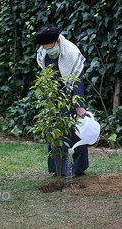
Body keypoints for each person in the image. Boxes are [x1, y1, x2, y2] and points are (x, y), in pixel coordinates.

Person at [35, 24, 89, 177]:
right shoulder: (44, 52)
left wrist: (79, 106)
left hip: (70, 97)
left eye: (49, 47)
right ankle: (58, 169)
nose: (47, 50)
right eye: (44, 48)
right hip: (54, 99)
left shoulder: (71, 52)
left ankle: (78, 169)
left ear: (58, 41)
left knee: (75, 132)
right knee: (55, 133)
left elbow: (77, 80)